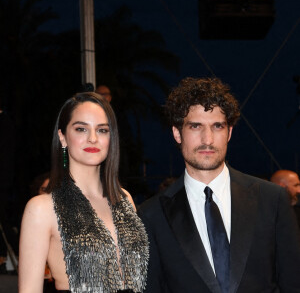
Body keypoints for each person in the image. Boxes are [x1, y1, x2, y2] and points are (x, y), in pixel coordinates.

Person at [138, 77, 300, 293]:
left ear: (229, 132)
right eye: (196, 126)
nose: (208, 139)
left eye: (217, 126)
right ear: (177, 133)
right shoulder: (151, 215)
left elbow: (293, 283)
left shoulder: (272, 200)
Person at [19, 92, 149, 293]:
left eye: (102, 130)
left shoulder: (124, 199)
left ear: (111, 137)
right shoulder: (42, 209)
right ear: (63, 137)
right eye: (81, 129)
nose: (93, 138)